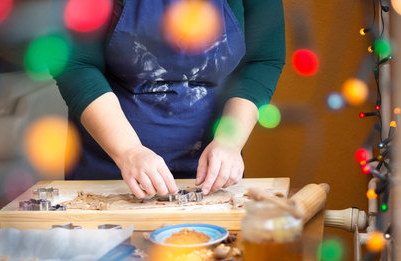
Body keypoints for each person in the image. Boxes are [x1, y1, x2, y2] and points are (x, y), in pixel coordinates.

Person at [54, 0, 285, 198]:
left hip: (210, 175)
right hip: (109, 169)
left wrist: (229, 140)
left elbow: (262, 60)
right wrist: (128, 151)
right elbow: (75, 64)